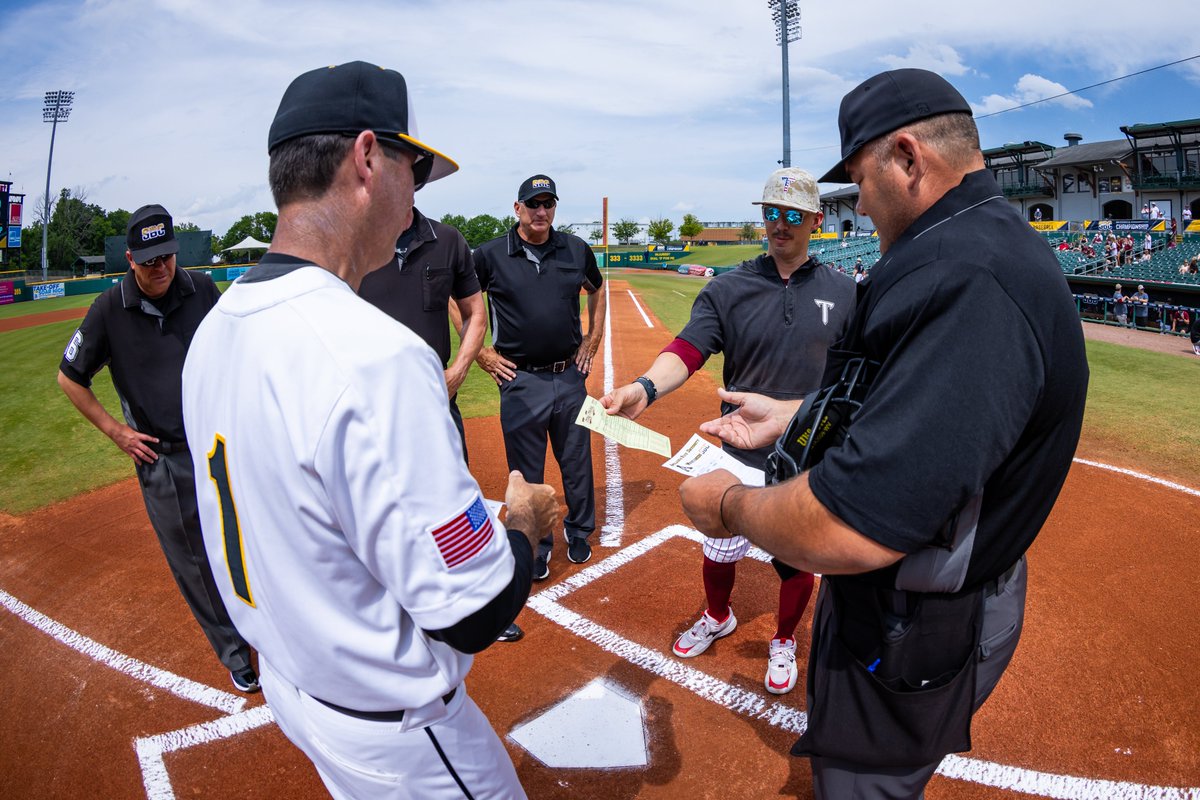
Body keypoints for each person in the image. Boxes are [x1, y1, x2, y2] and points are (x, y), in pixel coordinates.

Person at [678, 68, 1088, 798]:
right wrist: (798, 414)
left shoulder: (969, 273)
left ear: (906, 157)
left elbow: (851, 525)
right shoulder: (966, 242)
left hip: (918, 620)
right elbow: (907, 401)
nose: (859, 204)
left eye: (861, 181)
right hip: (907, 604)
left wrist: (728, 506)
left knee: (860, 784)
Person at [181, 61, 558, 799]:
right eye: (412, 172)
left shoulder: (216, 330)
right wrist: (521, 523)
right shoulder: (375, 355)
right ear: (365, 159)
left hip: (299, 690)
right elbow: (473, 612)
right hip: (400, 732)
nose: (415, 196)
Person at [600, 167, 854, 695]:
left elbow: (859, 376)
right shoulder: (729, 288)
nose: (780, 224)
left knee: (796, 555)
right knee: (718, 544)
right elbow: (688, 349)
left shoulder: (846, 292)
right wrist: (644, 388)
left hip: (809, 449)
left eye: (793, 215)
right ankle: (718, 615)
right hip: (739, 445)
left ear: (816, 220)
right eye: (771, 212)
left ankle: (783, 637)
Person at [57, 204, 258, 694]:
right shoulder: (108, 309)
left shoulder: (201, 289)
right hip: (163, 459)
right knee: (194, 560)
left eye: (166, 256)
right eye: (148, 261)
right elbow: (70, 377)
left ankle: (270, 629)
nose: (160, 267)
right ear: (130, 259)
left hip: (216, 445)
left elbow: (234, 349)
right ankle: (236, 654)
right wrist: (118, 433)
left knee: (248, 536)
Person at [357, 208, 522, 645]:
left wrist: (459, 371)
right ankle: (395, 613)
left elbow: (475, 313)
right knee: (377, 509)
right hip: (371, 411)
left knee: (457, 502)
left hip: (436, 403)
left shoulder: (447, 240)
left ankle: (479, 605)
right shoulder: (350, 239)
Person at [473, 174, 606, 581]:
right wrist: (480, 351)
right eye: (533, 204)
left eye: (548, 203)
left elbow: (597, 289)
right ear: (518, 208)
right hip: (520, 379)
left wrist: (593, 337)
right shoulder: (490, 254)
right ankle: (536, 544)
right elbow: (458, 299)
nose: (541, 211)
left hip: (568, 376)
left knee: (577, 462)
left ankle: (579, 531)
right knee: (527, 470)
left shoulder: (575, 249)